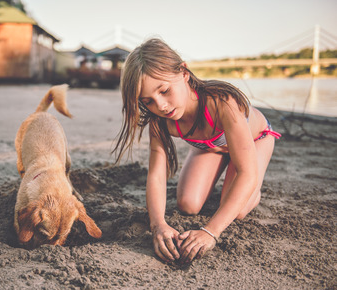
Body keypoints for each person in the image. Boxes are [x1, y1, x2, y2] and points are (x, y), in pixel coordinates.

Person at [112, 38, 281, 265]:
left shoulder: (222, 103)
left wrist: (210, 231)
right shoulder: (160, 121)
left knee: (239, 209)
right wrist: (158, 224)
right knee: (188, 204)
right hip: (213, 146)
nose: (161, 106)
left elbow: (246, 172)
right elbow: (157, 175)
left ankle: (254, 192)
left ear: (183, 72)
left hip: (255, 139)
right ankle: (227, 172)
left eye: (164, 91)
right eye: (148, 101)